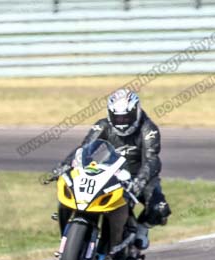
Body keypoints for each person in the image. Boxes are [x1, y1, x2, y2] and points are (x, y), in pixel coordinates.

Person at [52, 88, 171, 249]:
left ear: (136, 112)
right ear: (110, 114)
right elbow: (84, 149)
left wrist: (140, 181)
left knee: (160, 209)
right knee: (69, 192)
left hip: (139, 175)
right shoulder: (102, 125)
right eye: (118, 117)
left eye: (126, 117)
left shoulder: (148, 129)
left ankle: (141, 230)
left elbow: (152, 159)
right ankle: (68, 237)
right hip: (108, 172)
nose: (122, 122)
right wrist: (65, 165)